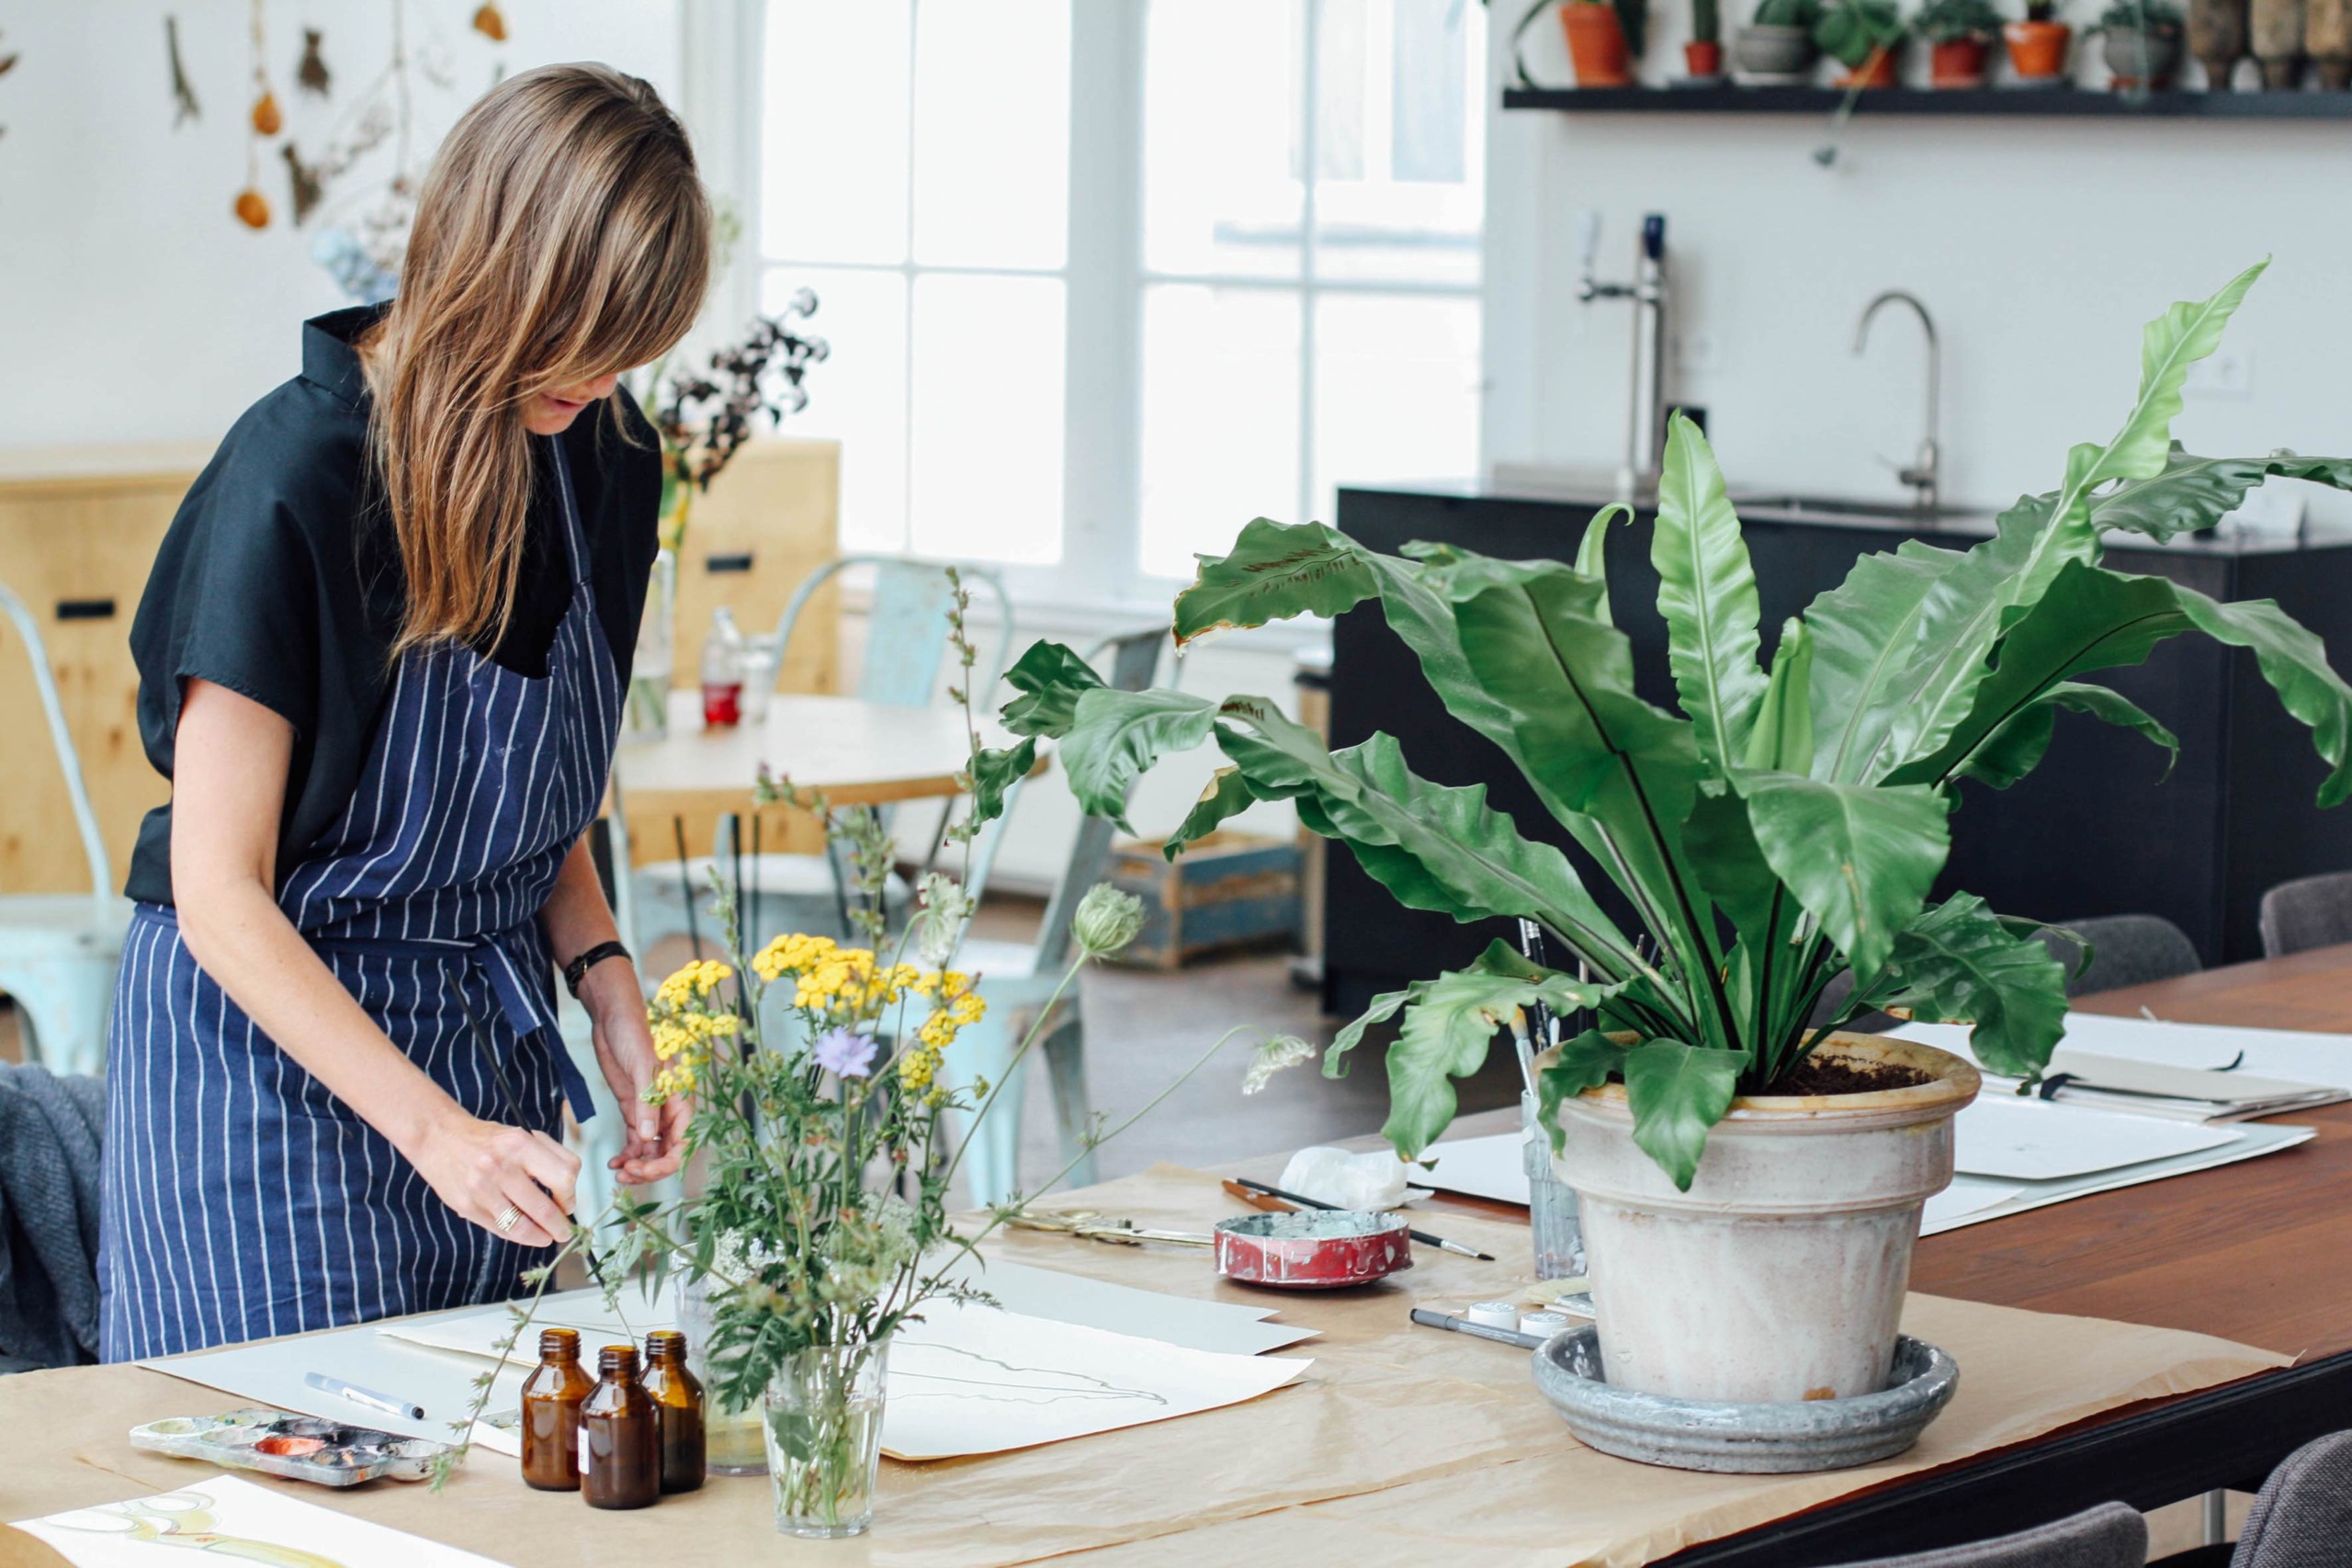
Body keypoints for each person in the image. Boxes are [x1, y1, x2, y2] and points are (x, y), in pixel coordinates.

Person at [98, 63, 711, 1359]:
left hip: (480, 1055)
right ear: (490, 266)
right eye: (579, 334)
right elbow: (217, 889)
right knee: (282, 1504)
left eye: (632, 349)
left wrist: (606, 981)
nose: (600, 381)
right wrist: (428, 1129)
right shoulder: (298, 475)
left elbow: (532, 783)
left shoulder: (601, 455)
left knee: (500, 1501)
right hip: (261, 1085)